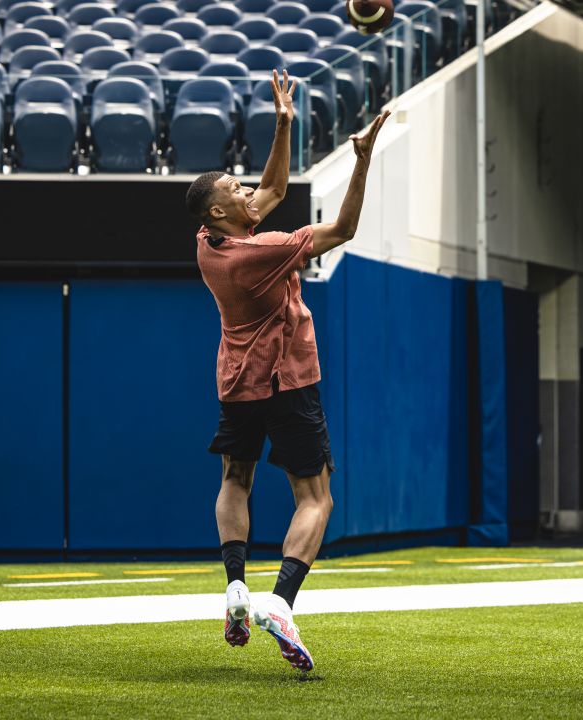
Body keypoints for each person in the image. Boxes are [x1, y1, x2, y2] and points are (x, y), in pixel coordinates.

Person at [183, 67, 391, 672]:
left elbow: (268, 195)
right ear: (223, 210)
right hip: (288, 380)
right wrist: (362, 160)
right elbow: (343, 228)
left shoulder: (208, 238)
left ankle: (235, 588)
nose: (250, 188)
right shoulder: (260, 251)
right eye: (236, 187)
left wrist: (283, 125)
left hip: (235, 382)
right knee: (315, 496)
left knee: (235, 478)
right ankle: (281, 600)